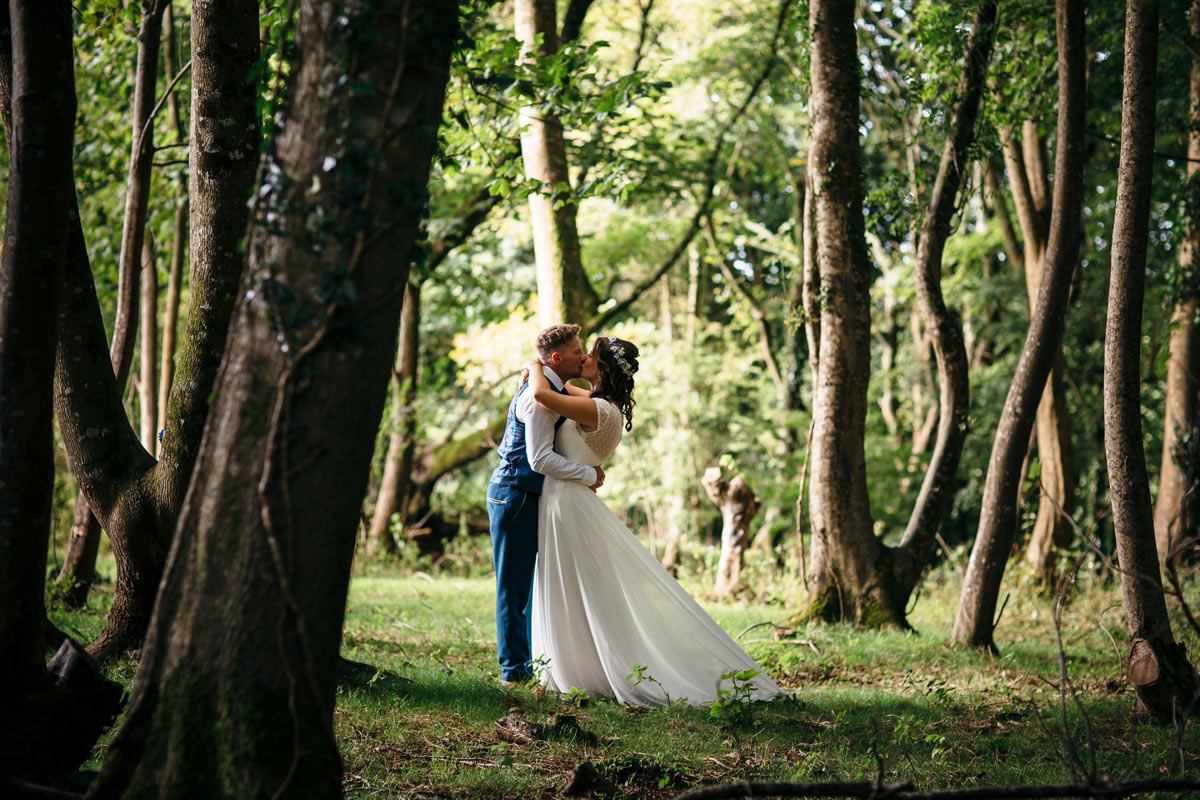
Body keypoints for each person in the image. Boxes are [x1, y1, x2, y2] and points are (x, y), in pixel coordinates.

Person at [524, 336, 785, 706]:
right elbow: (562, 388)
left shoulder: (601, 411)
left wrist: (534, 366)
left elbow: (544, 396)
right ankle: (577, 666)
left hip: (568, 501)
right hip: (565, 498)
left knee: (576, 583)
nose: (582, 358)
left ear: (602, 369)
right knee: (574, 585)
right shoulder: (600, 404)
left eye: (590, 356)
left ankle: (587, 671)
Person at [486, 324, 604, 687]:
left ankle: (533, 663)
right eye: (577, 352)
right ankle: (514, 673)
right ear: (556, 358)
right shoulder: (539, 399)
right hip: (514, 494)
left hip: (528, 496)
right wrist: (588, 474)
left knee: (534, 585)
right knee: (514, 588)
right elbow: (539, 459)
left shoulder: (552, 386)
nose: (583, 356)